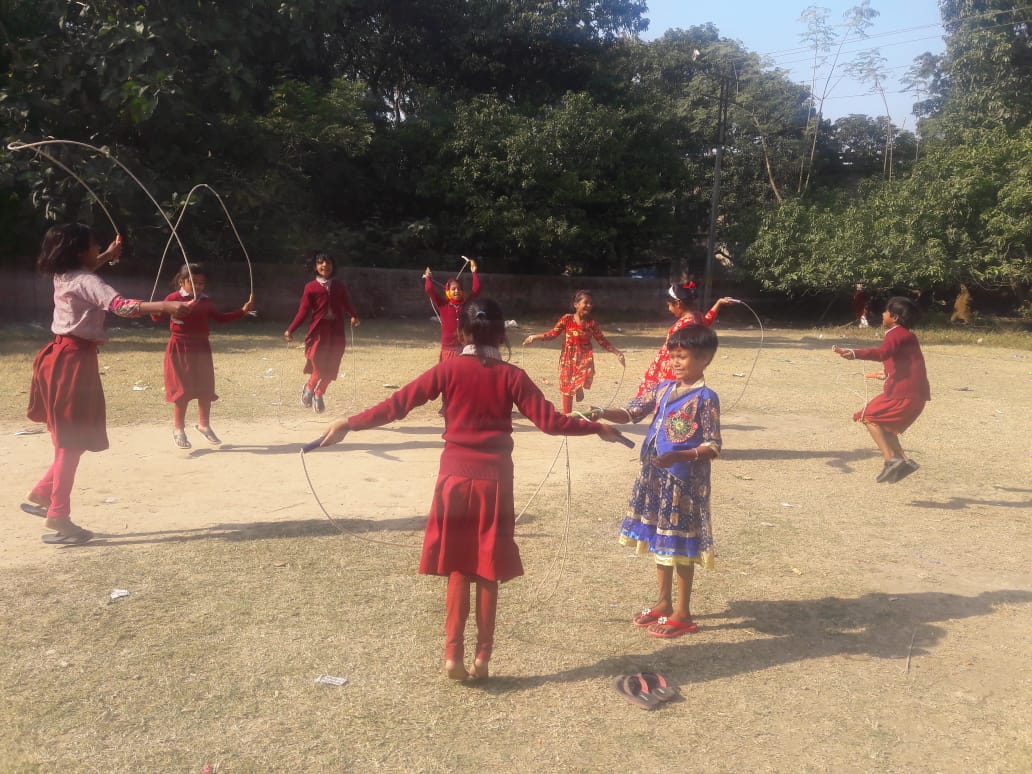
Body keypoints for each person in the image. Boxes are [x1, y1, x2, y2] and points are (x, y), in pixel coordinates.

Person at [311, 297, 628, 680]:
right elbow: (550, 422)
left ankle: (452, 655)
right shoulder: (512, 376)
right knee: (488, 569)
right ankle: (483, 658)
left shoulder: (448, 369)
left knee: (459, 567)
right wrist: (597, 427)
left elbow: (398, 404)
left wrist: (348, 423)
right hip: (495, 482)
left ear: (461, 332)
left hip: (454, 481)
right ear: (501, 334)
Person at [23, 223, 193, 544]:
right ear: (79, 252)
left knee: (71, 436)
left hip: (59, 358)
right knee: (72, 439)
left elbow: (86, 275)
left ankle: (45, 492)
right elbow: (120, 306)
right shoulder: (87, 280)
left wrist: (106, 256)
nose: (97, 249)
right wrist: (166, 306)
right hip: (74, 363)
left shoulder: (65, 274)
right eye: (94, 245)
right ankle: (58, 514)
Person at [591, 324, 722, 638]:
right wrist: (600, 412)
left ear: (704, 359)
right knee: (661, 541)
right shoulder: (662, 389)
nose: (675, 362)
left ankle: (683, 613)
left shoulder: (706, 398)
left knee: (681, 544)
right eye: (673, 356)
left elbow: (713, 446)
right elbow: (631, 412)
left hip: (684, 484)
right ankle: (664, 603)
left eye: (683, 357)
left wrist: (680, 455)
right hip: (655, 479)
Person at [152, 263, 254, 449]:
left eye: (201, 283)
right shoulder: (173, 298)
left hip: (201, 347)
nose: (198, 286)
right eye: (193, 282)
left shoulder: (205, 301)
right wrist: (155, 309)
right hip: (180, 347)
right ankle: (178, 429)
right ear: (181, 282)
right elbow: (157, 317)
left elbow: (220, 318)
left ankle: (204, 425)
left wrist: (242, 312)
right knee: (182, 390)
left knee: (205, 388)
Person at [833, 296, 930, 483]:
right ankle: (904, 461)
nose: (883, 314)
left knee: (867, 416)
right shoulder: (908, 335)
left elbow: (882, 353)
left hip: (902, 392)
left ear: (894, 317)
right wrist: (887, 372)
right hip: (915, 393)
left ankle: (890, 460)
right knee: (885, 427)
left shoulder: (895, 333)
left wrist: (854, 353)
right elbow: (909, 362)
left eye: (886, 311)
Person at [522, 289, 625, 414]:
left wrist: (617, 353)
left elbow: (602, 340)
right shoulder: (567, 319)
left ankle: (578, 387)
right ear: (576, 304)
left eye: (591, 303)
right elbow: (552, 334)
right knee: (567, 388)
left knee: (582, 377)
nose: (589, 305)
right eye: (586, 302)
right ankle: (567, 416)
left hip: (585, 357)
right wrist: (534, 337)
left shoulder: (592, 323)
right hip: (567, 358)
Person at [283, 252, 360, 414]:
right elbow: (303, 312)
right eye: (321, 263)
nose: (325, 266)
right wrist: (291, 329)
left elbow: (346, 303)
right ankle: (309, 387)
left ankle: (319, 393)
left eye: (328, 263)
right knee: (318, 363)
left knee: (333, 364)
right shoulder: (310, 287)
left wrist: (353, 315)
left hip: (336, 331)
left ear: (333, 266)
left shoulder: (339, 286)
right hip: (319, 332)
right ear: (315, 267)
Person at [636, 283, 736, 396]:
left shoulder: (686, 324)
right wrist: (718, 303)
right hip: (669, 370)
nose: (669, 309)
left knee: (663, 399)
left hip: (670, 373)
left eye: (669, 305)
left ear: (678, 303)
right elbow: (707, 320)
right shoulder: (696, 317)